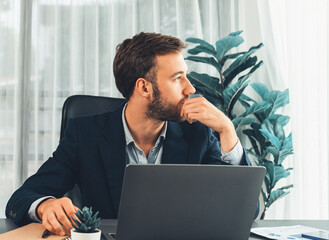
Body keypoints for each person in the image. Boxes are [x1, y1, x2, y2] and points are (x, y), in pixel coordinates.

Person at [6, 32, 251, 236]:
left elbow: (243, 213)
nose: (191, 88)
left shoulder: (198, 133)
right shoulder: (85, 135)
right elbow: (21, 199)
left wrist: (227, 131)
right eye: (178, 79)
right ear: (144, 87)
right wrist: (46, 206)